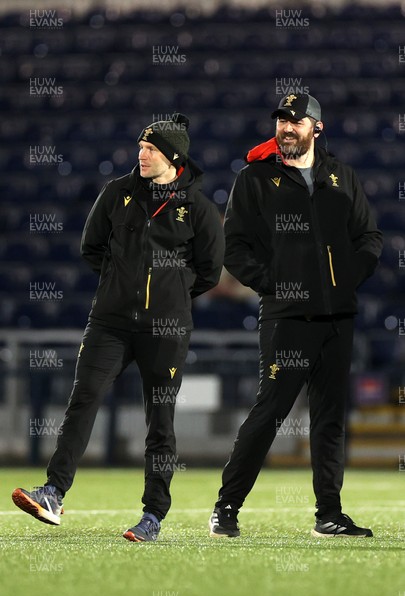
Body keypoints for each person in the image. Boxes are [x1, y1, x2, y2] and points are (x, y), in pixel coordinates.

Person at [12, 113, 224, 542]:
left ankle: (153, 516)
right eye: (141, 147)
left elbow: (209, 272)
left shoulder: (198, 208)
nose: (141, 154)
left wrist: (170, 295)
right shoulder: (116, 193)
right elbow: (91, 247)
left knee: (160, 421)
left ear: (173, 157)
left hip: (165, 329)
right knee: (83, 400)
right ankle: (53, 492)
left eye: (150, 149)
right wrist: (118, 285)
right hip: (109, 322)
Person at [208, 94, 383, 538]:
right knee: (270, 412)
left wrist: (348, 279)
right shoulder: (255, 178)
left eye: (296, 120)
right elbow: (234, 246)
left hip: (338, 317)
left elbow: (368, 237)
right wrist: (271, 282)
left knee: (330, 418)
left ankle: (329, 514)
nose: (286, 127)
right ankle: (226, 507)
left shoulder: (341, 175)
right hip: (286, 315)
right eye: (281, 120)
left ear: (316, 128)